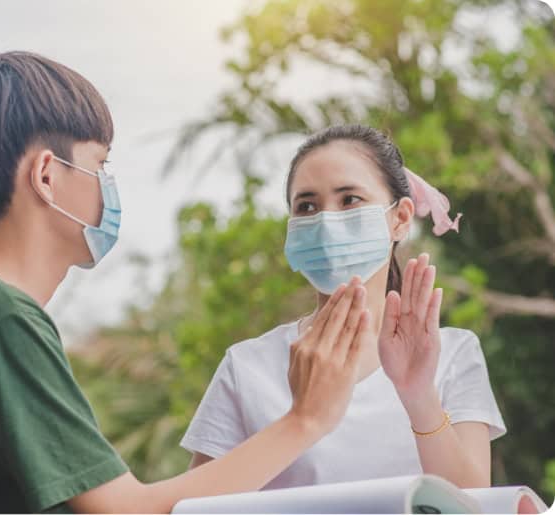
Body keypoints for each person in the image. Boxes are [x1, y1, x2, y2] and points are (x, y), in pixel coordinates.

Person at [0, 53, 371, 514]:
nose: (109, 184)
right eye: (99, 164)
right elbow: (126, 511)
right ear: (47, 175)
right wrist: (306, 419)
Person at [182, 124, 506, 490]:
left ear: (399, 219)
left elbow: (476, 505)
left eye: (349, 199)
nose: (325, 221)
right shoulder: (245, 366)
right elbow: (193, 506)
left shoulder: (452, 353)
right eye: (306, 206)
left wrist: (419, 395)